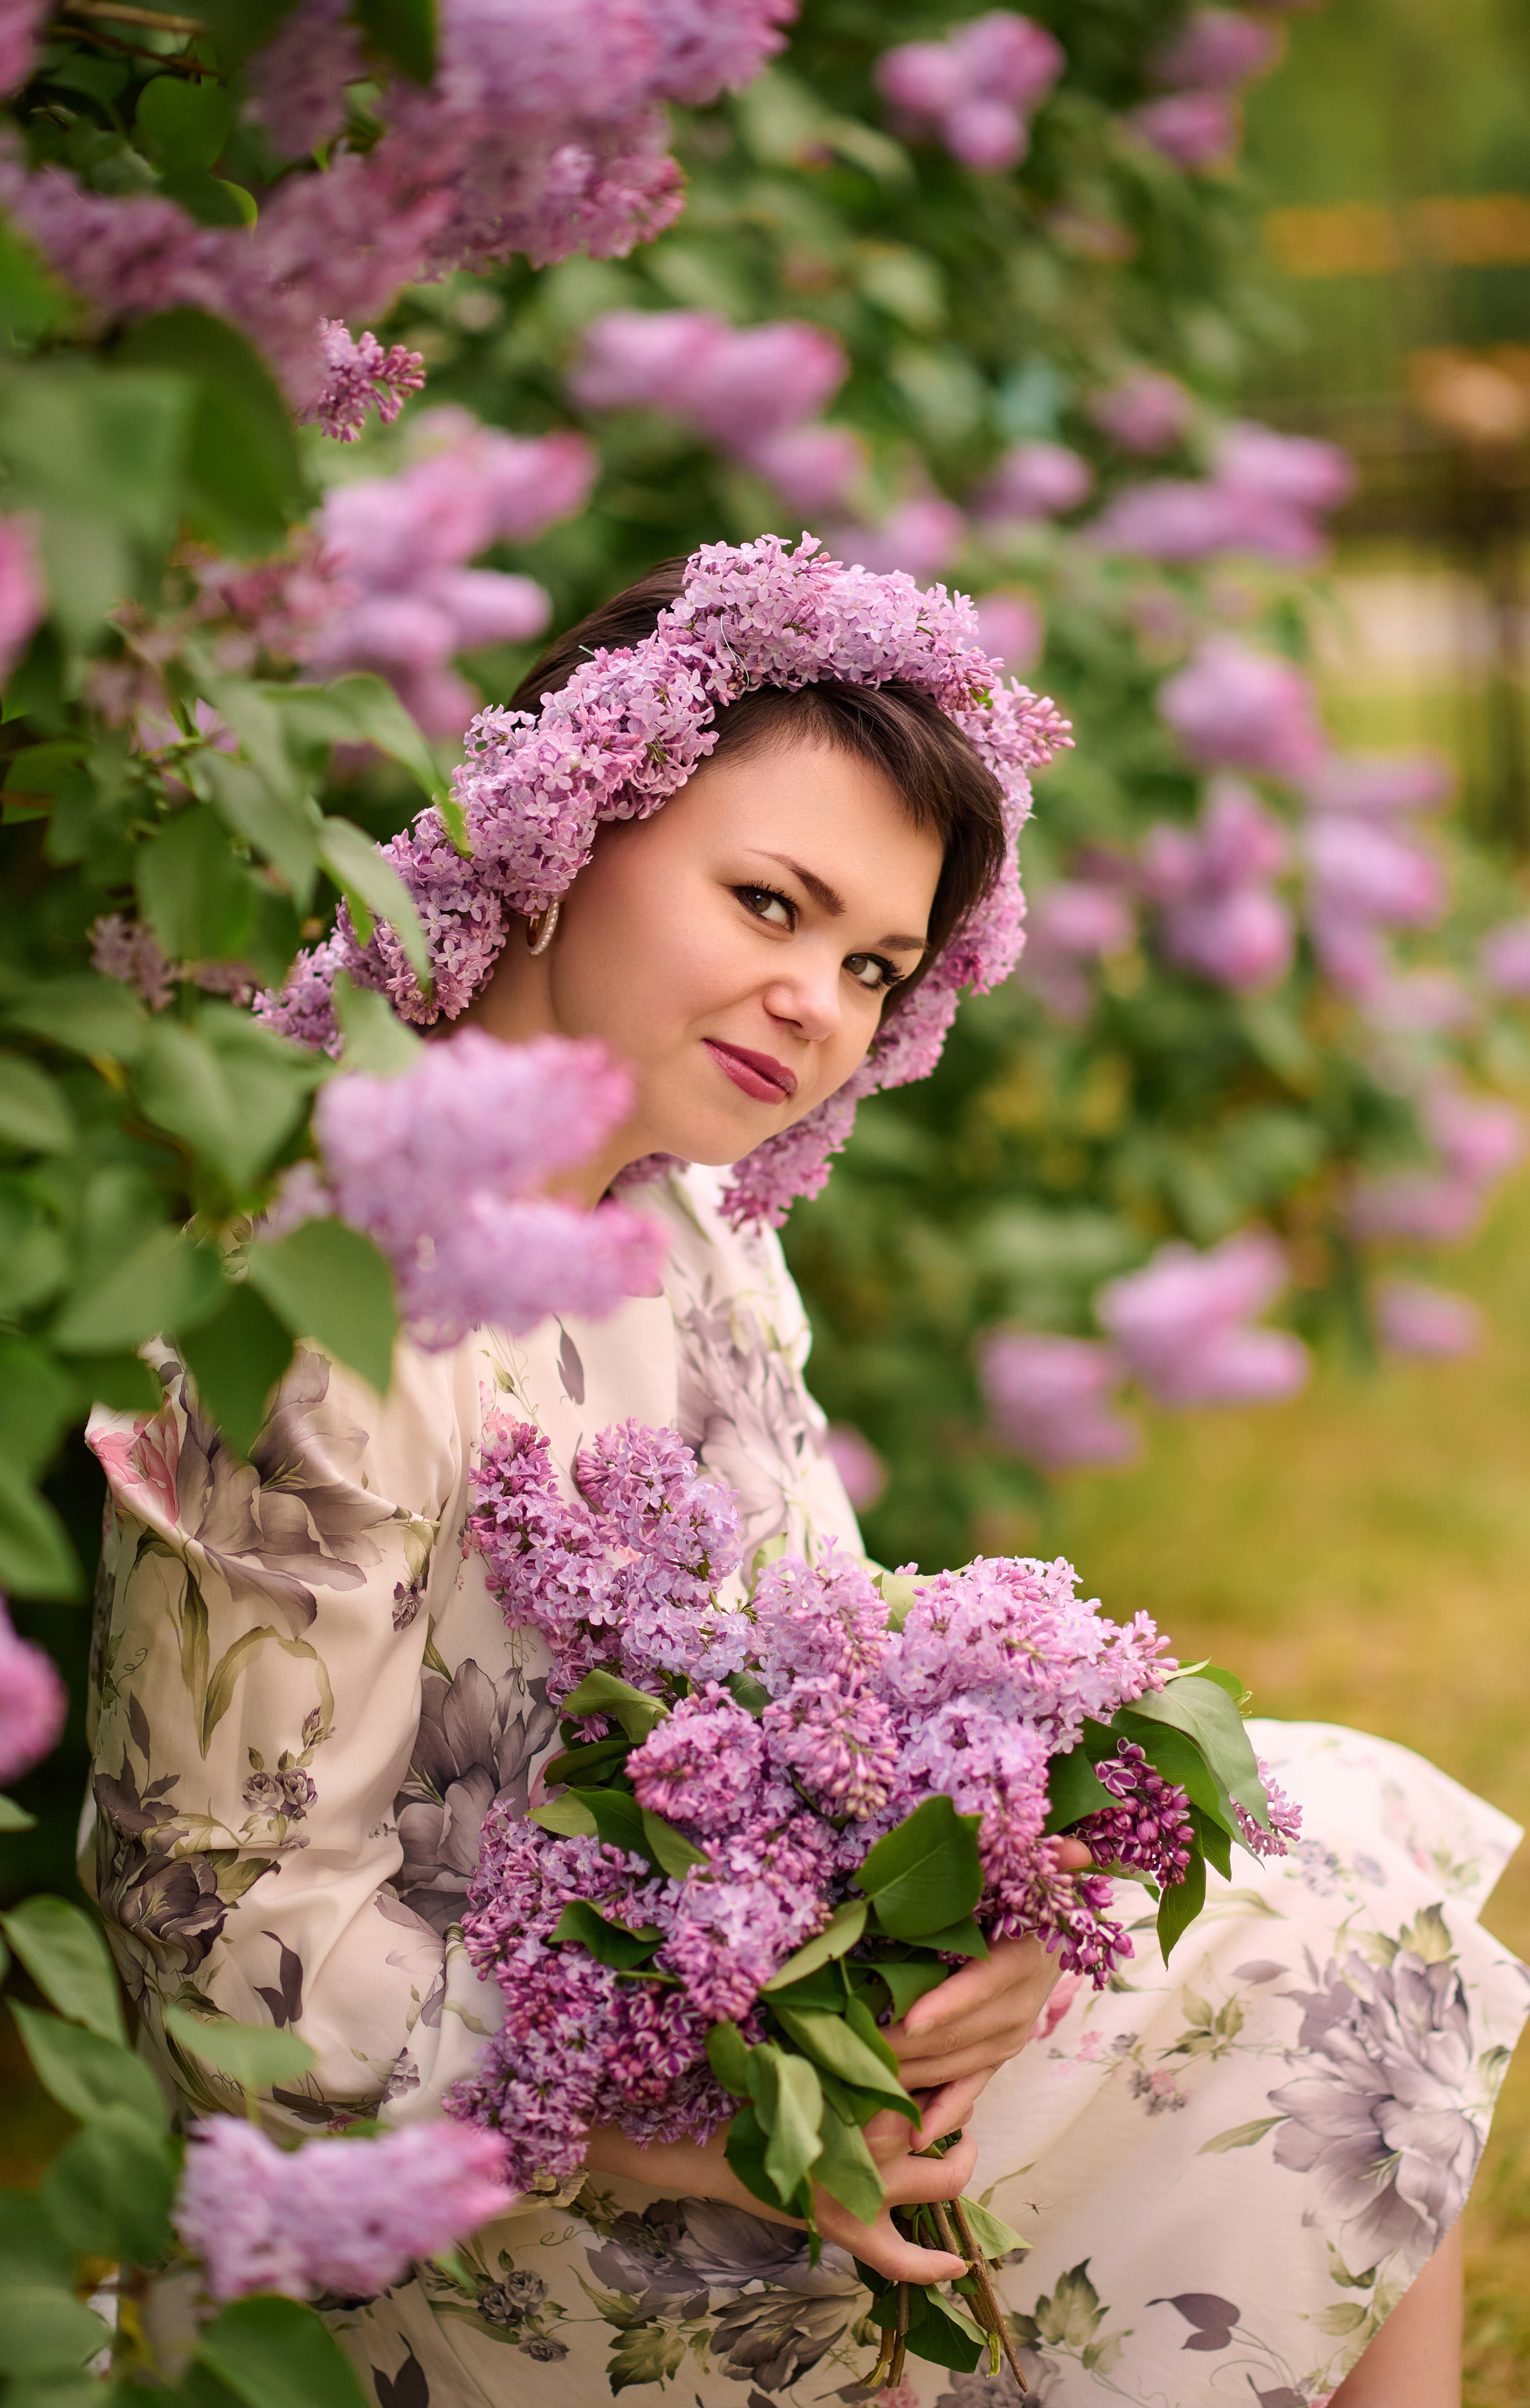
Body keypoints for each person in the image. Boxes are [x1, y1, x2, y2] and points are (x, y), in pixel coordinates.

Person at [84, 539, 1524, 2408]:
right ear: (569, 825)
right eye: (767, 903)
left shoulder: (689, 1232)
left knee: (1330, 1851)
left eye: (870, 967)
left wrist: (999, 1920)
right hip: (466, 2195)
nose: (817, 1004)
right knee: (1325, 1939)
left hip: (758, 2023)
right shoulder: (325, 1296)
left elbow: (824, 1665)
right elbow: (221, 1946)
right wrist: (694, 2123)